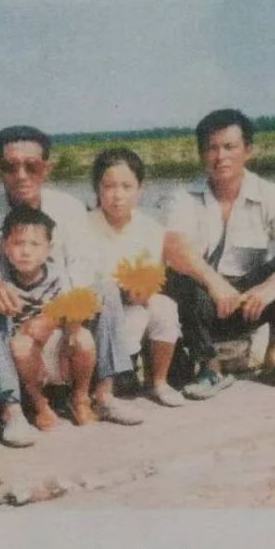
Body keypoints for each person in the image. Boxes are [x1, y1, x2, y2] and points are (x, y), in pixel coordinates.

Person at [0, 125, 143, 426]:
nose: (21, 175)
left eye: (31, 166)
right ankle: (11, 409)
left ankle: (104, 395)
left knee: (106, 288)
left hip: (63, 307)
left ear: (46, 167)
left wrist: (54, 316)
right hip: (15, 317)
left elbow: (82, 270)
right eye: (10, 167)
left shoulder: (69, 208)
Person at [162, 109, 275, 399]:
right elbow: (174, 248)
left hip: (249, 303)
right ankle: (210, 368)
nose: (220, 156)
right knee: (178, 276)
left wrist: (270, 287)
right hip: (202, 303)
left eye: (229, 147)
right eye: (212, 148)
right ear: (201, 154)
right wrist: (214, 283)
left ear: (248, 150)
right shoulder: (183, 197)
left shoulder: (270, 194)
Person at [0, 206, 98, 447]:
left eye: (35, 244)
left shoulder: (59, 275)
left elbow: (70, 309)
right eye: (18, 243)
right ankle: (40, 404)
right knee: (21, 345)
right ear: (5, 247)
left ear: (48, 250)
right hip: (24, 352)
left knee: (83, 338)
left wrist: (64, 329)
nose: (25, 251)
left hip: (56, 345)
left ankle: (80, 398)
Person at [86, 147, 184, 407]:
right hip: (96, 309)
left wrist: (143, 290)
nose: (117, 195)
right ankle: (108, 382)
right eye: (109, 186)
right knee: (135, 316)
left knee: (164, 306)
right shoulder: (83, 225)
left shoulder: (151, 229)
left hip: (136, 299)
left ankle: (158, 382)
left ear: (140, 189)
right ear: (97, 188)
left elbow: (152, 275)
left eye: (127, 187)